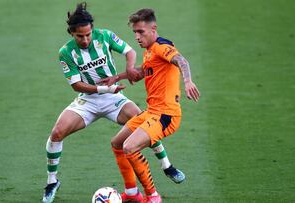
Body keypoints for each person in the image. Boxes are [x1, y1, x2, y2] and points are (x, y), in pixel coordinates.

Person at [42, 3, 184, 203]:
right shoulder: (65, 52)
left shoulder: (105, 36)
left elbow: (129, 52)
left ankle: (167, 166)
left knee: (143, 121)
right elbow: (77, 85)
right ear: (72, 33)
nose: (85, 39)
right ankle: (51, 181)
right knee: (57, 133)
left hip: (114, 98)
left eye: (88, 34)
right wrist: (104, 89)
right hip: (89, 100)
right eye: (80, 36)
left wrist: (128, 69)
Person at [101, 8, 201, 203]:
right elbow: (144, 71)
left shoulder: (162, 46)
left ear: (153, 28)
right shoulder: (149, 52)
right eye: (135, 33)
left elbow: (181, 60)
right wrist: (119, 76)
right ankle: (131, 193)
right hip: (151, 112)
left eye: (141, 32)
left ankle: (153, 196)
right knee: (117, 143)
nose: (137, 37)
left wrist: (188, 81)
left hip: (166, 115)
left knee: (130, 147)